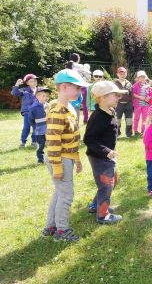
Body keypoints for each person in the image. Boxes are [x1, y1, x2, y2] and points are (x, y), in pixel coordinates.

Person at [42, 69, 90, 242]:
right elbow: (53, 142)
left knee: (60, 192)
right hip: (59, 159)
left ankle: (50, 226)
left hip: (67, 158)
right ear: (63, 87)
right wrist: (57, 166)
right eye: (76, 88)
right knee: (66, 195)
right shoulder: (57, 111)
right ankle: (62, 230)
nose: (80, 92)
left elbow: (72, 139)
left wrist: (76, 160)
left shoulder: (68, 106)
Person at [83, 81, 127, 224]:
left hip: (107, 155)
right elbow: (89, 139)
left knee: (113, 180)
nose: (118, 98)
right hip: (99, 157)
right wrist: (107, 151)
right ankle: (103, 215)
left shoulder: (109, 111)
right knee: (106, 184)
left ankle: (95, 205)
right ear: (102, 97)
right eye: (115, 95)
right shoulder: (98, 117)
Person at [11, 74, 39, 148]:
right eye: (32, 81)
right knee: (26, 127)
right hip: (27, 112)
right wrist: (17, 84)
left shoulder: (40, 90)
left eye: (35, 81)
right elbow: (14, 93)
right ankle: (23, 142)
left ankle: (34, 142)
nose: (34, 82)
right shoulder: (24, 90)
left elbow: (44, 99)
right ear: (27, 83)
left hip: (37, 112)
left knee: (36, 127)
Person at [28, 87, 52, 163]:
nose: (46, 98)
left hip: (49, 130)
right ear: (37, 96)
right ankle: (40, 159)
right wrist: (35, 128)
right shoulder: (34, 107)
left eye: (47, 96)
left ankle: (52, 158)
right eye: (43, 96)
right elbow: (31, 119)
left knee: (51, 144)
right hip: (39, 131)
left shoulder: (49, 106)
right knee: (41, 145)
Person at [67, 53, 91, 123]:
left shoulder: (66, 66)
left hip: (69, 87)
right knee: (84, 104)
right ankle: (85, 119)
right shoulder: (80, 66)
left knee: (71, 103)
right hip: (81, 86)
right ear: (78, 59)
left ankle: (70, 119)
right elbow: (89, 75)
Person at [113, 67, 134, 138]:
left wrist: (132, 104)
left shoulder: (129, 83)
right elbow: (113, 94)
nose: (122, 74)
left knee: (129, 120)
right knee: (117, 120)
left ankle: (128, 134)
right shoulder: (114, 83)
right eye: (120, 73)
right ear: (117, 74)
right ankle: (117, 134)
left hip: (128, 104)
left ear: (126, 74)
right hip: (118, 104)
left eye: (124, 73)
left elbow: (132, 94)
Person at [132, 70, 151, 136]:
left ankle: (143, 130)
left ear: (145, 77)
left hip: (146, 105)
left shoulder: (147, 85)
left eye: (143, 77)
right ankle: (136, 130)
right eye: (140, 77)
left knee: (145, 118)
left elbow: (150, 93)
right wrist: (140, 97)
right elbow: (133, 94)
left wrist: (148, 97)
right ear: (138, 78)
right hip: (138, 104)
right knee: (136, 118)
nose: (142, 78)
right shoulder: (135, 85)